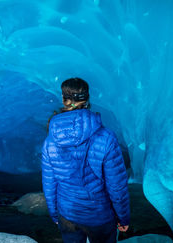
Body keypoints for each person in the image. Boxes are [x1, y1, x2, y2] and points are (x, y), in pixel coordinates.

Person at [42, 77, 130, 243]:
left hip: (67, 215)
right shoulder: (106, 137)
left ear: (63, 99)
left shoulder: (50, 141)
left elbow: (50, 183)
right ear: (88, 98)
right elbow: (117, 186)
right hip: (99, 216)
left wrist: (54, 214)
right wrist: (123, 217)